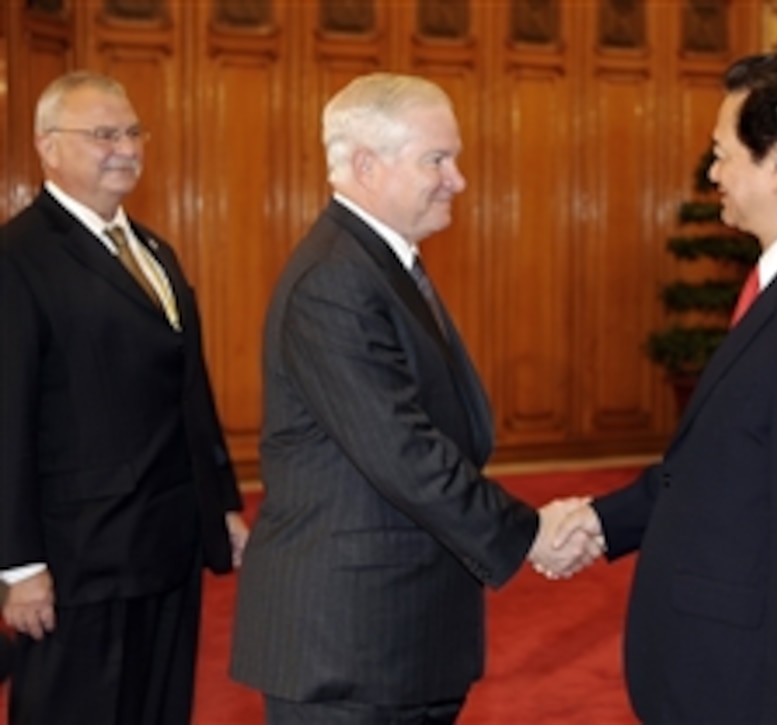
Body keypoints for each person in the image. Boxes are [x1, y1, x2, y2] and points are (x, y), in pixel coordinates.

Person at [229, 73, 598, 724]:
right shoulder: (335, 279)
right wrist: (529, 532)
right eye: (437, 159)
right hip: (348, 645)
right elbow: (402, 450)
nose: (457, 178)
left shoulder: (377, 263)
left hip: (396, 633)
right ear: (367, 165)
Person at [553, 54, 777, 722]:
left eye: (723, 153)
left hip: (761, 687)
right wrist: (603, 520)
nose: (713, 173)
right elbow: (717, 465)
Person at [0, 70, 249, 724]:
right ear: (47, 146)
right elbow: (6, 420)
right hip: (77, 563)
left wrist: (218, 503)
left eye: (133, 131)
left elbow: (189, 390)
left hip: (166, 546)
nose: (126, 148)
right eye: (103, 134)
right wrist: (18, 565)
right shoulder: (16, 258)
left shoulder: (155, 251)